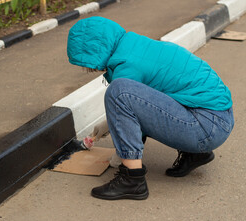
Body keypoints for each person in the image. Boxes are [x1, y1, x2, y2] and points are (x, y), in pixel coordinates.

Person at [67, 16, 234, 200]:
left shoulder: (125, 66)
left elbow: (129, 111)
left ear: (94, 50)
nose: (90, 69)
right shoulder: (135, 46)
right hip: (218, 118)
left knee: (118, 91)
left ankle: (132, 180)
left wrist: (121, 156)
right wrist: (109, 123)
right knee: (126, 94)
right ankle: (194, 154)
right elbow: (149, 105)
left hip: (206, 127)